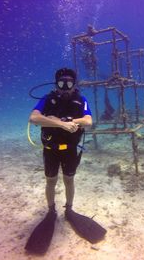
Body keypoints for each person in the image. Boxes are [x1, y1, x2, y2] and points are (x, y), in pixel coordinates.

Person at [29, 67, 92, 215]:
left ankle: (69, 209)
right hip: (51, 149)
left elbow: (88, 121)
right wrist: (62, 124)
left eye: (69, 84)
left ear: (74, 85)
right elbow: (33, 118)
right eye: (61, 84)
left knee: (69, 180)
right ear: (56, 84)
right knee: (50, 181)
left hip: (70, 149)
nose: (65, 88)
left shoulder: (80, 100)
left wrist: (61, 120)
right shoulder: (47, 99)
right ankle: (51, 210)